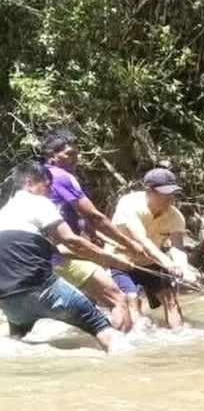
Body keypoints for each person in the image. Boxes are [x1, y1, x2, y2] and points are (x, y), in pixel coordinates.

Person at [0, 160, 133, 352]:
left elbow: (55, 249)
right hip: (45, 290)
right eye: (46, 187)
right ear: (29, 183)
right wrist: (112, 259)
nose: (49, 193)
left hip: (9, 301)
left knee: (17, 341)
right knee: (104, 330)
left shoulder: (4, 214)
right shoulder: (38, 202)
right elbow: (71, 240)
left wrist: (97, 257)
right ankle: (129, 371)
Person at [41, 129, 145, 332]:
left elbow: (82, 222)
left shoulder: (35, 177)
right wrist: (130, 243)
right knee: (118, 299)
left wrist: (113, 243)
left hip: (32, 255)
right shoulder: (61, 177)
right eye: (69, 154)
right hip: (59, 255)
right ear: (52, 155)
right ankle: (121, 353)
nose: (75, 159)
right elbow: (94, 216)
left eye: (76, 154)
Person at [107, 168, 199, 329]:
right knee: (132, 298)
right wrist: (167, 262)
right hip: (121, 260)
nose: (169, 198)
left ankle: (180, 337)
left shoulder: (175, 216)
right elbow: (141, 240)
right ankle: (137, 341)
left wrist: (184, 269)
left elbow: (177, 248)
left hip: (151, 261)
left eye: (172, 193)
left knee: (170, 298)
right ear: (148, 190)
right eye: (164, 194)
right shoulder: (129, 204)